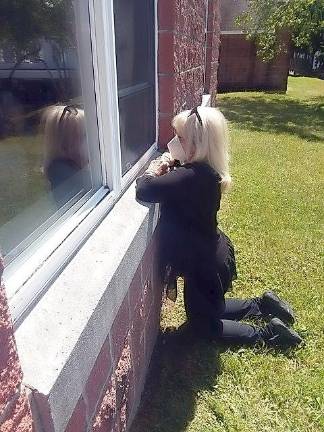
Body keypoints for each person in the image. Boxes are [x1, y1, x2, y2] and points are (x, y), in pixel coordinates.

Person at [136, 106, 303, 348]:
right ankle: (262, 304)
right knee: (212, 306)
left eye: (180, 138)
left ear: (197, 143)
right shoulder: (205, 172)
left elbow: (146, 189)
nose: (173, 142)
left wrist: (153, 169)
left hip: (204, 265)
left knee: (203, 325)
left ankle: (269, 334)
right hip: (211, 256)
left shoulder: (190, 177)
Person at [42, 104, 90, 206]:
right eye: (84, 135)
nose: (91, 140)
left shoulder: (77, 163)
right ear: (64, 144)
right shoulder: (60, 171)